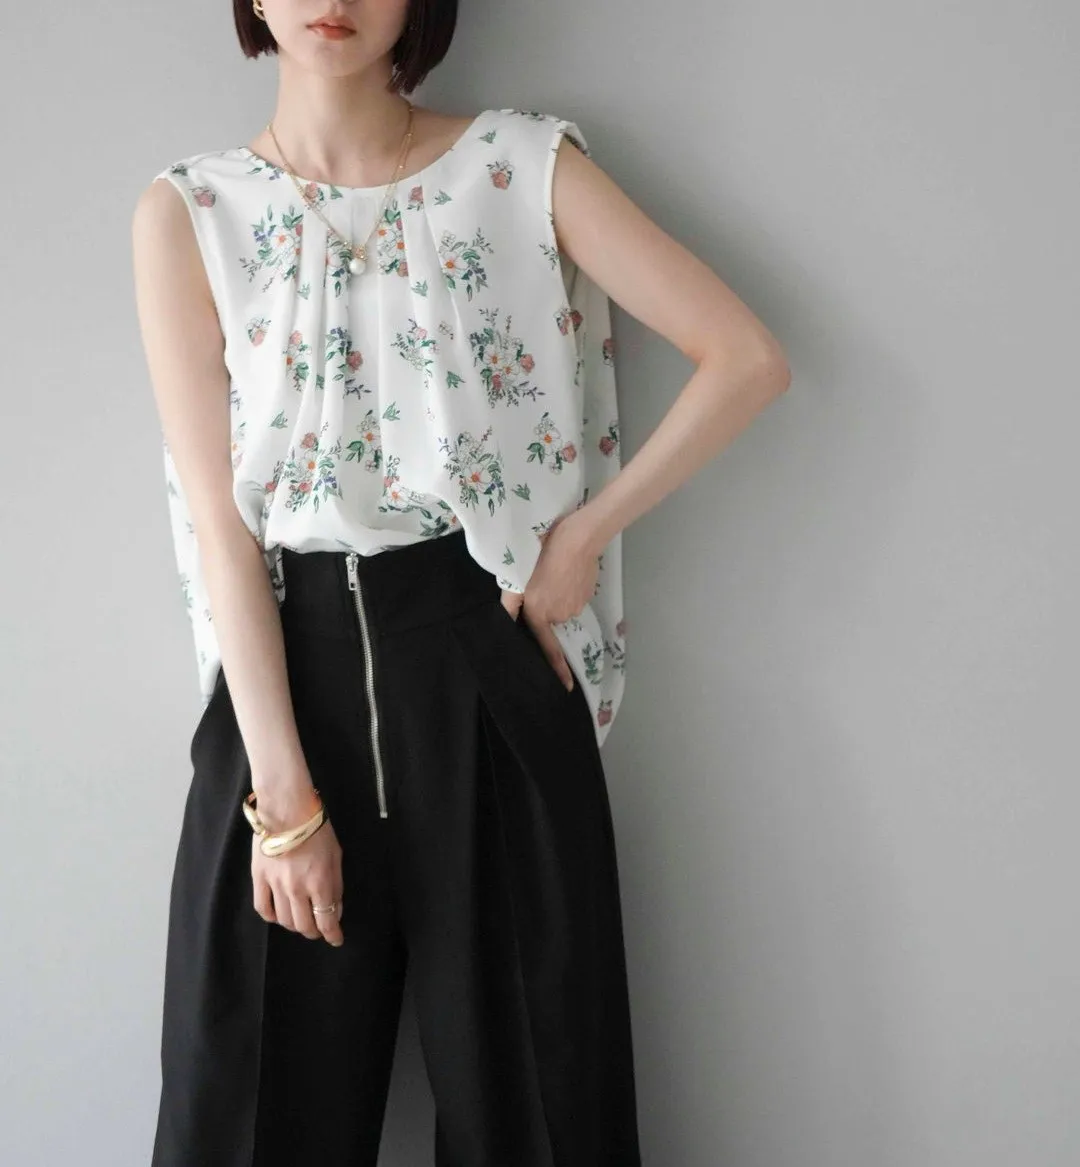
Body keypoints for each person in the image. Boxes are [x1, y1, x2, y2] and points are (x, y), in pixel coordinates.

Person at [131, 1, 791, 1164]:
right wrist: (284, 806)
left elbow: (745, 358)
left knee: (541, 1109)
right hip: (281, 686)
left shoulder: (520, 165)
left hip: (483, 665)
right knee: (247, 1117)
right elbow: (219, 525)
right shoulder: (190, 212)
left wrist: (583, 539)